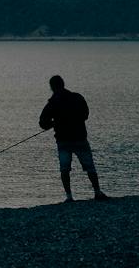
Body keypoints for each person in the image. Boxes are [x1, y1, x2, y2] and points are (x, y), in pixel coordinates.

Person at [39, 74, 109, 202]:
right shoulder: (77, 97)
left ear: (52, 87)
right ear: (63, 84)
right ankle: (97, 192)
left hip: (63, 140)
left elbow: (42, 123)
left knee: (65, 169)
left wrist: (53, 123)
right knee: (90, 167)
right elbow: (86, 114)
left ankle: (69, 197)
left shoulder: (52, 102)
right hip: (79, 138)